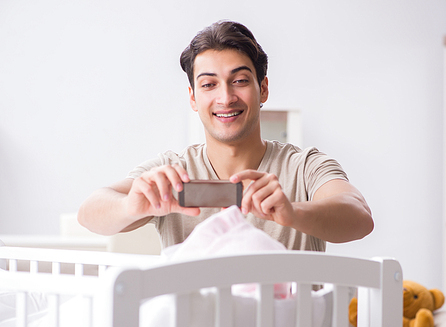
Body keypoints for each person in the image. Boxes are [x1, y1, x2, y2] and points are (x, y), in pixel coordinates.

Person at [77, 20, 373, 252]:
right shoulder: (172, 171)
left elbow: (359, 216)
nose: (226, 97)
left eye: (240, 81)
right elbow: (89, 212)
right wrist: (131, 207)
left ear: (264, 89)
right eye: (209, 85)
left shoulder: (305, 165)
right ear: (193, 98)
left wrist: (292, 213)